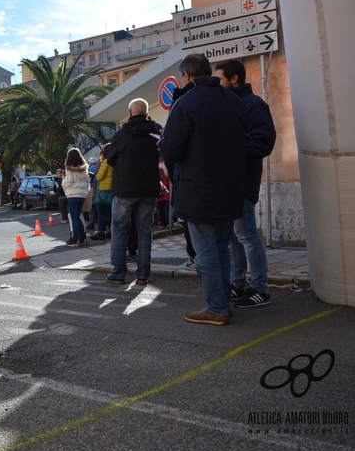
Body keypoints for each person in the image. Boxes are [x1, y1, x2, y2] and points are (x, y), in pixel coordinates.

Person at [158, 54, 249, 326]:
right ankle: (221, 303)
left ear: (186, 75)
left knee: (206, 253)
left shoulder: (186, 103)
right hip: (230, 187)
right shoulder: (234, 100)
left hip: (199, 189)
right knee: (221, 249)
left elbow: (171, 147)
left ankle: (216, 307)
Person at [216, 59, 277, 308]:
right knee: (233, 237)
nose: (216, 83)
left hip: (242, 180)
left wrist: (231, 157)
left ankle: (260, 289)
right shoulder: (227, 104)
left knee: (247, 235)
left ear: (234, 79)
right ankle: (238, 283)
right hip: (227, 180)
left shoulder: (253, 104)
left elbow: (263, 142)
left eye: (219, 78)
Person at [105, 98, 162, 285]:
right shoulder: (155, 132)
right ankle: (143, 275)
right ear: (146, 114)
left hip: (124, 190)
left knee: (120, 230)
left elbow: (110, 158)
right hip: (148, 190)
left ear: (129, 114)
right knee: (145, 232)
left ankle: (118, 273)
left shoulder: (121, 135)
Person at [62, 148, 90, 246]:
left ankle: (76, 238)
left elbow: (69, 183)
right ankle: (83, 238)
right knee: (78, 216)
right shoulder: (85, 169)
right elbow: (87, 183)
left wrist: (63, 181)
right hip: (82, 195)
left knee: (74, 217)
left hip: (72, 195)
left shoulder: (69, 169)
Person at [91, 145, 113, 240]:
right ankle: (111, 231)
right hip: (113, 189)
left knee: (101, 212)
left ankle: (101, 231)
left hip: (104, 189)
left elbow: (99, 177)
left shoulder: (105, 162)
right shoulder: (115, 162)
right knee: (111, 212)